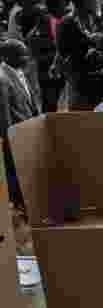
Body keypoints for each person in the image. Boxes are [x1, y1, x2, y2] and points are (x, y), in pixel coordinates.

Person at [0, 39, 40, 208]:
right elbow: (4, 114)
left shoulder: (19, 72)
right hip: (16, 135)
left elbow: (30, 101)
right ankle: (19, 204)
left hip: (28, 131)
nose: (26, 58)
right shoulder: (2, 79)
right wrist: (8, 139)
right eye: (21, 55)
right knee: (17, 172)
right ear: (8, 57)